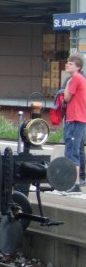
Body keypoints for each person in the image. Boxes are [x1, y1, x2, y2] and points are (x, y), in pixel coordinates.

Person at [63, 54, 86, 193]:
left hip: (75, 119)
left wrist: (66, 85)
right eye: (67, 62)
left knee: (72, 151)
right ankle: (74, 182)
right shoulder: (80, 78)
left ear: (77, 66)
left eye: (70, 63)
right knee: (74, 150)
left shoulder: (75, 79)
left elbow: (66, 98)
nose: (67, 64)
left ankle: (74, 183)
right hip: (78, 118)